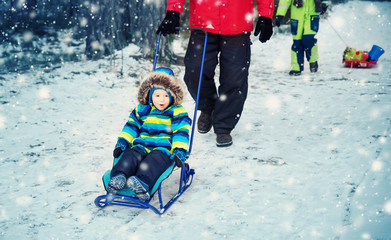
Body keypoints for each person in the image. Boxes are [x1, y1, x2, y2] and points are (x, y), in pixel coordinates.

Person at [156, 0, 274, 147]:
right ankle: (207, 107)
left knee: (234, 78)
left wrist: (266, 15)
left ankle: (223, 125)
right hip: (203, 22)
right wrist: (173, 11)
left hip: (237, 22)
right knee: (195, 70)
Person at [106, 68, 191, 201]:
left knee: (153, 162)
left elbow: (181, 132)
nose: (162, 100)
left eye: (166, 96)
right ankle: (118, 177)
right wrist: (123, 141)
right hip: (142, 144)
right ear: (150, 95)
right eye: (157, 95)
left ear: (173, 95)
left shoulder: (177, 111)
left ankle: (142, 183)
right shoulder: (143, 109)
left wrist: (180, 150)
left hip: (164, 149)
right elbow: (131, 126)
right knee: (130, 155)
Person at [275, 0, 329, 76]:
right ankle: (296, 67)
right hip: (297, 17)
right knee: (297, 42)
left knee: (308, 40)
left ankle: (313, 60)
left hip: (312, 16)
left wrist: (324, 4)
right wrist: (280, 14)